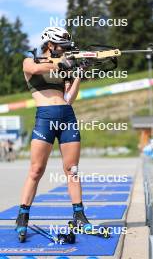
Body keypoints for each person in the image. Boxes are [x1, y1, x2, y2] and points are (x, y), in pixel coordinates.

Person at [16, 27, 91, 242]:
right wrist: (63, 62)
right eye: (62, 46)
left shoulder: (65, 66)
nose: (66, 50)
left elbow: (69, 98)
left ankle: (78, 215)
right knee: (36, 169)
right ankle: (23, 216)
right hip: (45, 117)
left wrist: (78, 74)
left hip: (67, 115)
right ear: (49, 45)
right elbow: (38, 69)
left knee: (72, 170)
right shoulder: (29, 62)